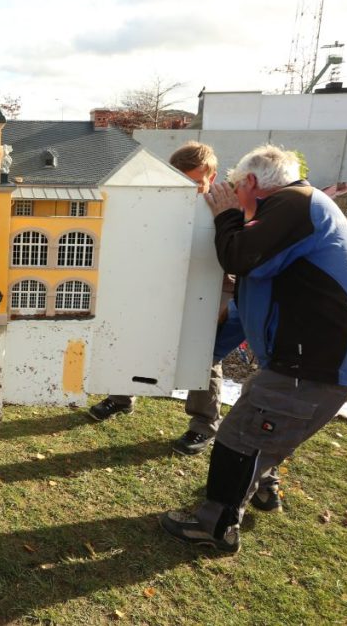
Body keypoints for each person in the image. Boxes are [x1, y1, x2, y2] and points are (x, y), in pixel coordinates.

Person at [159, 144, 347, 553]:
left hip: (312, 360)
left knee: (240, 437)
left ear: (253, 183)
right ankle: (263, 489)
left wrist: (226, 215)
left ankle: (216, 525)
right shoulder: (301, 207)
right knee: (264, 422)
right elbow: (268, 274)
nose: (231, 194)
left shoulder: (293, 203)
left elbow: (244, 257)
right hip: (309, 356)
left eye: (236, 188)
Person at [88, 141, 239, 456]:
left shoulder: (223, 211)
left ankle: (204, 425)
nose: (190, 190)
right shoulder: (158, 203)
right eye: (182, 181)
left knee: (204, 358)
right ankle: (121, 397)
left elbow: (233, 257)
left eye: (197, 183)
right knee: (136, 341)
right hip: (157, 292)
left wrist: (224, 295)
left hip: (204, 298)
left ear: (211, 178)